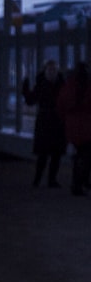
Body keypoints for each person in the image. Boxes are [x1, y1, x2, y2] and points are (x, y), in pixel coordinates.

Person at [22, 59, 67, 188]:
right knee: (48, 154)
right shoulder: (59, 84)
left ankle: (42, 179)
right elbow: (31, 100)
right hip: (53, 122)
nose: (52, 71)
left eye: (53, 69)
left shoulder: (42, 84)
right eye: (50, 69)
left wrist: (25, 91)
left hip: (48, 122)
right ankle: (47, 179)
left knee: (51, 154)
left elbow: (31, 100)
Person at [57, 61, 91, 196]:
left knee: (77, 158)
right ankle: (82, 182)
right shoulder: (88, 87)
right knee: (87, 156)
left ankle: (77, 184)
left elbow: (60, 107)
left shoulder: (68, 87)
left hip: (72, 127)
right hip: (88, 127)